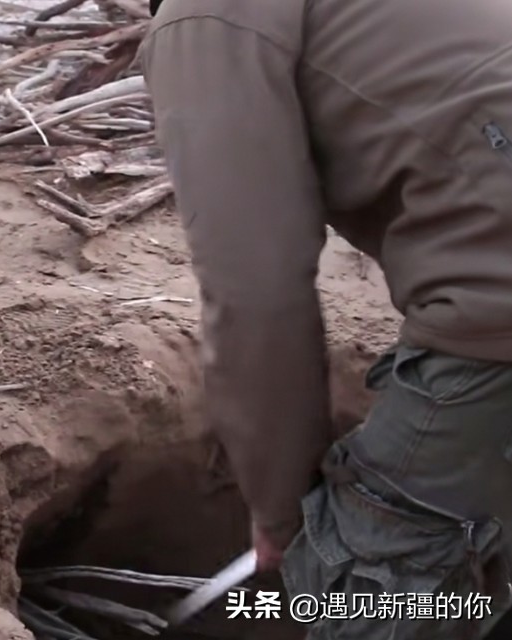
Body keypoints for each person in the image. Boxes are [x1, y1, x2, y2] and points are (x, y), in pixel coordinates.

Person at [141, 0, 512, 637]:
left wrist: (285, 516)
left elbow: (257, 292)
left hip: (495, 291)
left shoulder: (203, 19)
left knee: (369, 584)